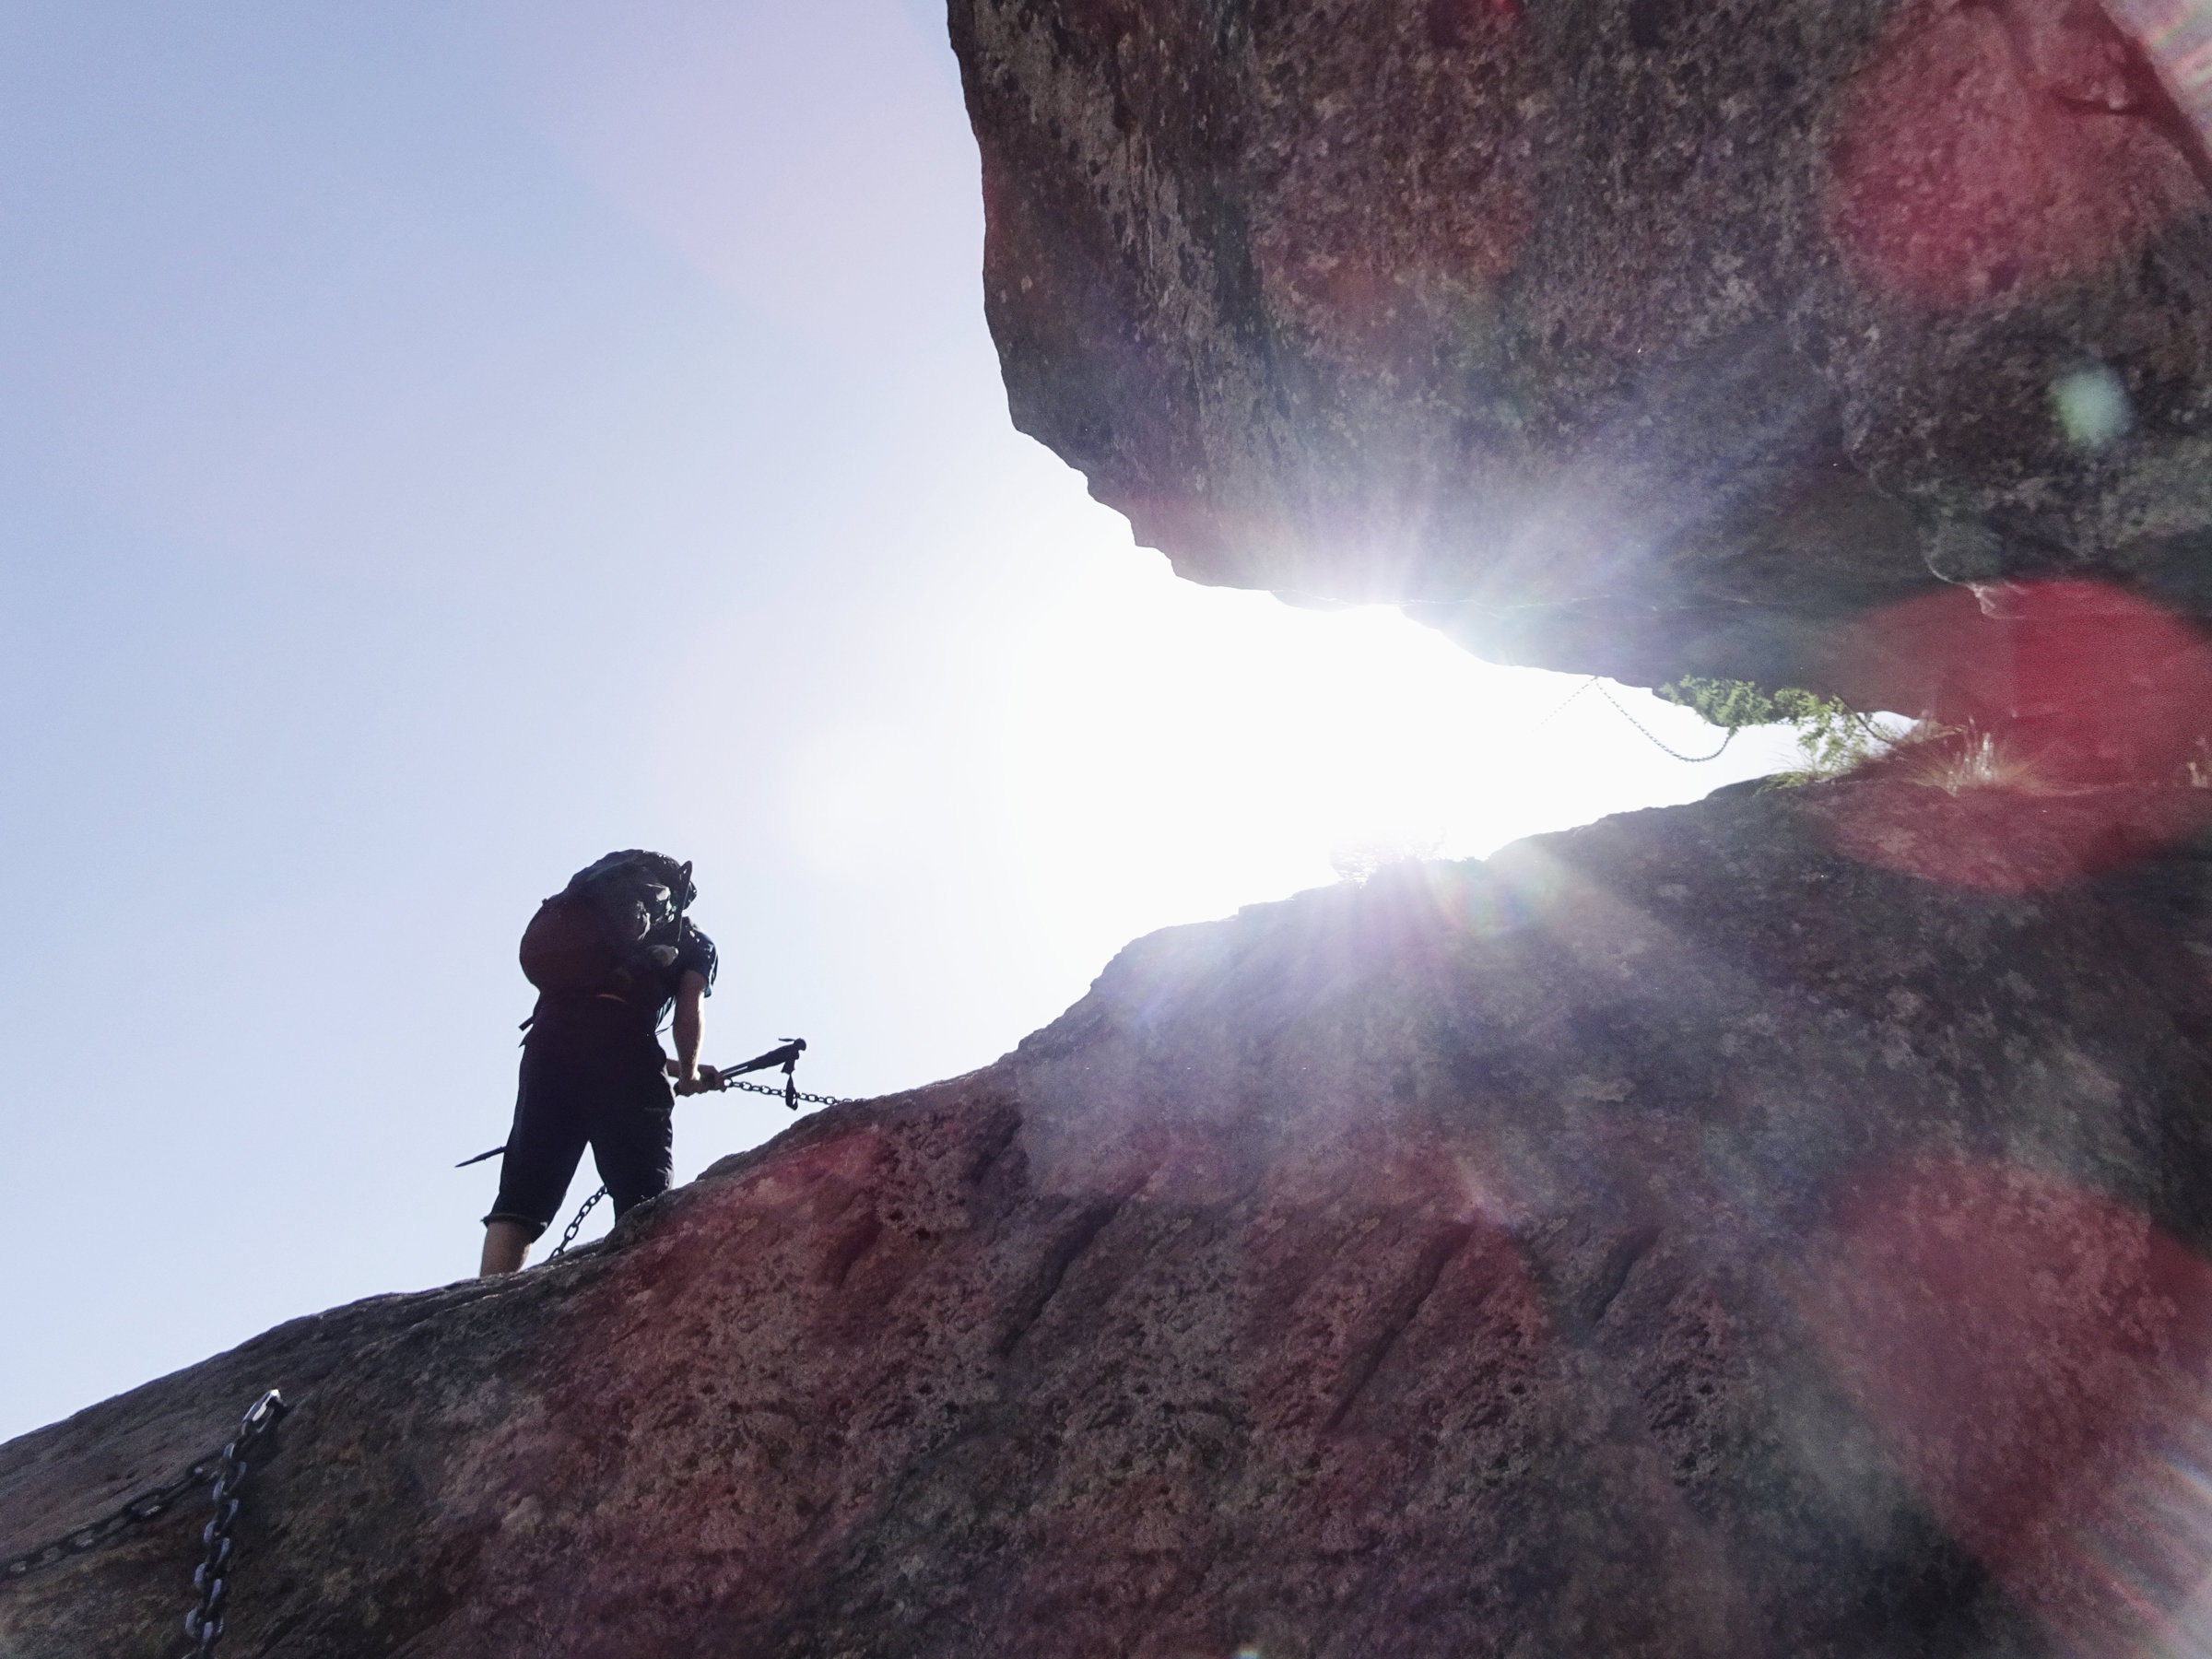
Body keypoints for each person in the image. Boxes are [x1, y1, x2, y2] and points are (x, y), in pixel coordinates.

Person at [478, 854, 719, 1276]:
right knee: (643, 1193)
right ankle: (645, 1294)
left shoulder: (587, 925)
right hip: (625, 1049)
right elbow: (688, 1007)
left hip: (549, 1044)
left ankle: (481, 1301)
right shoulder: (692, 940)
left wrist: (686, 1069)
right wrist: (692, 1074)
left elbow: (592, 1025)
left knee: (523, 1193)